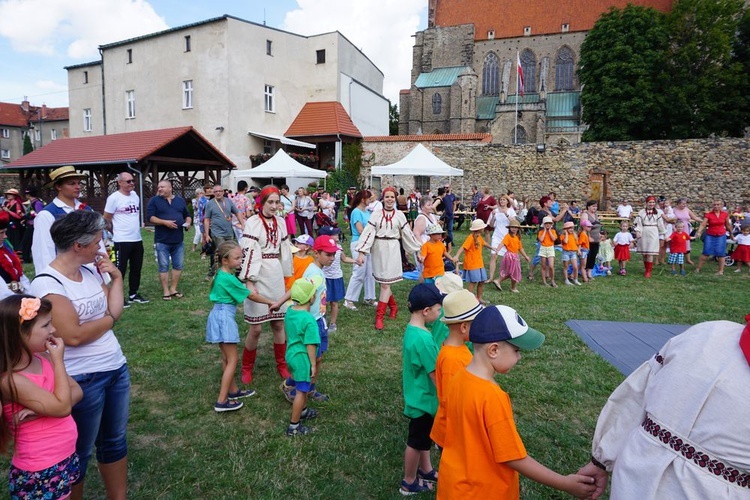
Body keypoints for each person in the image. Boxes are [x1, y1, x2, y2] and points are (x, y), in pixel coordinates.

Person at [577, 317, 750, 500]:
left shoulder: (709, 331)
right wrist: (601, 460)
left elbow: (635, 396)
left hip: (637, 473)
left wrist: (602, 460)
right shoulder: (710, 332)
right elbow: (638, 394)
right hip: (647, 477)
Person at [437, 305, 597, 499]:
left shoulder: (456, 379)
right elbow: (512, 457)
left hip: (453, 487)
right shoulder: (492, 396)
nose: (519, 357)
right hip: (485, 492)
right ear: (494, 349)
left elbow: (442, 433)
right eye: (516, 350)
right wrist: (565, 483)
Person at [29, 210, 128, 500]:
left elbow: (114, 306)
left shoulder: (88, 271)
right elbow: (72, 336)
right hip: (82, 378)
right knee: (80, 451)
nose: (101, 246)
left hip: (115, 367)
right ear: (78, 246)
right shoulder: (47, 284)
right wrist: (109, 318)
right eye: (97, 241)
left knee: (114, 441)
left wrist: (117, 277)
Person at [0, 295, 83, 500]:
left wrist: (42, 409)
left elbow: (77, 392)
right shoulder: (12, 380)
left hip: (64, 456)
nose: (53, 330)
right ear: (19, 333)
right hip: (40, 469)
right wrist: (59, 362)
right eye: (46, 325)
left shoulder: (42, 358)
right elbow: (63, 407)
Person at [238, 185, 294, 389]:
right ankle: (247, 366)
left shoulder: (281, 222)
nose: (274, 206)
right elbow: (248, 251)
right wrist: (249, 281)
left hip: (275, 274)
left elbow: (285, 250)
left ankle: (281, 363)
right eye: (270, 202)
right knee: (256, 328)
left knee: (278, 324)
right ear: (261, 202)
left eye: (277, 202)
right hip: (257, 273)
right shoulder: (252, 223)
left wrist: (288, 275)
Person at [355, 187, 422, 330]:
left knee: (386, 284)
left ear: (395, 198)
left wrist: (417, 251)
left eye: (392, 197)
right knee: (382, 281)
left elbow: (407, 234)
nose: (390, 199)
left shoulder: (399, 215)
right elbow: (368, 233)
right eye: (387, 197)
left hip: (392, 249)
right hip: (378, 249)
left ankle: (379, 316)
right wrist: (362, 252)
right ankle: (393, 306)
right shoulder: (376, 214)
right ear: (383, 198)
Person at [399, 283, 443, 495]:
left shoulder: (413, 331)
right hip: (423, 401)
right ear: (426, 311)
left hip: (418, 396)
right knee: (416, 442)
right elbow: (435, 375)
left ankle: (425, 470)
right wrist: (447, 397)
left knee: (423, 438)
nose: (439, 312)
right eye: (438, 309)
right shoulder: (425, 340)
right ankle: (409, 481)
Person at [205, 241, 256, 413]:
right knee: (233, 360)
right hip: (225, 318)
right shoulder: (228, 278)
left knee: (227, 358)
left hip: (217, 315)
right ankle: (221, 401)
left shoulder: (221, 274)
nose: (241, 260)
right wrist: (272, 301)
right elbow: (250, 295)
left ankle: (233, 391)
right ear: (225, 260)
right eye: (237, 258)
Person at [430, 289, 483, 447]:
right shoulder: (452, 359)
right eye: (477, 324)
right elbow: (452, 401)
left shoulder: (457, 347)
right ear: (464, 328)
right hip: (454, 433)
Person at [31, 166, 93, 274]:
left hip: (89, 271)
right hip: (64, 272)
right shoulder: (47, 215)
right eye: (72, 183)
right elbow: (44, 252)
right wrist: (49, 281)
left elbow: (97, 243)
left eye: (79, 183)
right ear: (58, 186)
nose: (77, 187)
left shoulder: (88, 210)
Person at [283, 277, 323, 436]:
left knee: (299, 382)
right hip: (302, 358)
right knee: (302, 390)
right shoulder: (309, 320)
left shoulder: (290, 312)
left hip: (291, 354)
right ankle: (294, 426)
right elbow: (310, 344)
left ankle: (304, 411)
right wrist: (313, 364)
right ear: (311, 298)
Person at [103, 172, 148, 306]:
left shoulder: (134, 196)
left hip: (136, 239)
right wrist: (112, 235)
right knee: (119, 270)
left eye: (133, 181)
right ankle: (118, 297)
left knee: (136, 268)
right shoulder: (114, 198)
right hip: (120, 240)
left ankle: (133, 294)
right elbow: (106, 219)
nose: (132, 183)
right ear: (120, 183)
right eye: (128, 181)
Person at [146, 179, 191, 300]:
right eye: (159, 187)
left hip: (178, 240)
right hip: (162, 240)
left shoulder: (180, 200)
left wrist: (188, 223)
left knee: (178, 265)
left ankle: (173, 289)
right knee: (163, 265)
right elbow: (150, 217)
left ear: (170, 188)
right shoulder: (154, 201)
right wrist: (164, 222)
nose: (159, 189)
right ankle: (166, 290)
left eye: (162, 187)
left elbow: (187, 215)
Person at [343, 190, 376, 311]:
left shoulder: (367, 211)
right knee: (359, 271)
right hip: (359, 243)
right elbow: (361, 230)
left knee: (370, 272)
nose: (371, 200)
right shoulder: (356, 212)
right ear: (363, 199)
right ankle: (349, 299)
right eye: (369, 198)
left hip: (368, 243)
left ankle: (370, 297)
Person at [319, 226, 356, 332]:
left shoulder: (339, 248)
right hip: (325, 278)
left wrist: (355, 261)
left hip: (336, 278)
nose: (337, 236)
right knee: (323, 301)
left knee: (334, 302)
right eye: (334, 234)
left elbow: (344, 259)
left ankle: (333, 323)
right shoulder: (323, 249)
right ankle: (322, 320)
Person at [204, 184, 245, 280]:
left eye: (220, 191)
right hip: (217, 233)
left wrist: (242, 224)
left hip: (229, 232)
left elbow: (237, 212)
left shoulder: (229, 201)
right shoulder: (210, 204)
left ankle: (226, 272)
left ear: (223, 192)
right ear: (213, 193)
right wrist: (206, 234)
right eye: (216, 191)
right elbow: (206, 219)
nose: (218, 193)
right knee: (223, 253)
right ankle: (212, 274)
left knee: (230, 252)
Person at [453, 219, 494, 304]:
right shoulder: (470, 238)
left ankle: (479, 298)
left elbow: (484, 243)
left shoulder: (479, 237)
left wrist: (492, 248)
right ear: (480, 229)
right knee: (473, 281)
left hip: (479, 263)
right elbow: (463, 247)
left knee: (482, 281)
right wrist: (457, 256)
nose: (484, 229)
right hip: (472, 264)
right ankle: (468, 300)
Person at [694, 199, 733, 275]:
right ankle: (698, 269)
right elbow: (703, 224)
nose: (716, 206)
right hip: (710, 235)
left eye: (718, 204)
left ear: (721, 205)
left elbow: (728, 225)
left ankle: (721, 271)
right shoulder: (708, 214)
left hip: (721, 235)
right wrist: (699, 232)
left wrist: (731, 233)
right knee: (706, 252)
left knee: (721, 253)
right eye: (714, 205)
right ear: (712, 206)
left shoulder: (725, 214)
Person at [487, 195, 517, 286]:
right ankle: (491, 278)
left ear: (507, 202)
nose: (502, 201)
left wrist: (506, 214)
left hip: (507, 237)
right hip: (496, 236)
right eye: (500, 200)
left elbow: (514, 223)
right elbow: (491, 225)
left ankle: (504, 276)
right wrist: (492, 216)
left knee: (508, 258)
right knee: (494, 255)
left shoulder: (511, 211)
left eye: (504, 200)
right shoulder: (495, 211)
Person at [0, 212, 31, 299]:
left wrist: (29, 294)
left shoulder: (7, 251)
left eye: (5, 232)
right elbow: (3, 292)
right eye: (1, 233)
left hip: (18, 297)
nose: (5, 236)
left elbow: (20, 274)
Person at [634, 196, 666, 278]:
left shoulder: (658, 212)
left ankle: (648, 271)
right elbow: (638, 223)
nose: (651, 204)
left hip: (653, 232)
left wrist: (663, 234)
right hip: (644, 232)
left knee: (650, 253)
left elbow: (661, 224)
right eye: (650, 202)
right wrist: (638, 231)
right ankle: (646, 268)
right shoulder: (641, 212)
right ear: (646, 203)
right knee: (645, 253)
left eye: (653, 202)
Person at [494, 219, 530, 292]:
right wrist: (497, 250)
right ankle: (509, 286)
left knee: (513, 272)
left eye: (515, 227)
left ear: (518, 229)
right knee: (513, 272)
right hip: (510, 256)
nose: (514, 229)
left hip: (515, 256)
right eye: (512, 227)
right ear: (509, 228)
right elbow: (502, 243)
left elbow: (520, 248)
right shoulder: (508, 236)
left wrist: (525, 256)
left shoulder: (517, 237)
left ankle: (510, 286)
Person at [672, 198, 702, 265]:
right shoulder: (674, 210)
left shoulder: (687, 210)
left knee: (686, 242)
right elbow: (671, 219)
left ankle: (688, 259)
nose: (684, 205)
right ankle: (675, 258)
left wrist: (703, 221)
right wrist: (674, 228)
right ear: (678, 204)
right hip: (677, 228)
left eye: (685, 203)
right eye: (683, 204)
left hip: (686, 228)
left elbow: (694, 217)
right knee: (678, 243)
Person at [20, 187, 45, 264]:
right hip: (30, 224)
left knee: (27, 242)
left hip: (34, 225)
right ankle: (26, 257)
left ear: (29, 195)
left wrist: (26, 216)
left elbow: (39, 214)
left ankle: (27, 258)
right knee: (26, 242)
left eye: (27, 194)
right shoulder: (32, 202)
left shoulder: (37, 203)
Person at [579, 200, 602, 281]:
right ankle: (584, 271)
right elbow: (584, 226)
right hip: (588, 239)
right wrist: (588, 237)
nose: (595, 208)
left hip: (596, 239)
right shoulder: (585, 215)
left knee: (593, 256)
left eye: (596, 206)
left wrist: (599, 234)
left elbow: (598, 226)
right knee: (587, 256)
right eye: (593, 206)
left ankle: (589, 272)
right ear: (588, 206)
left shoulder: (596, 215)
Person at [2, 188, 25, 257]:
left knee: (15, 239)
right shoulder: (6, 203)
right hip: (7, 224)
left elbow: (19, 216)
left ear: (15, 196)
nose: (8, 196)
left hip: (15, 224)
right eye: (8, 194)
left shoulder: (17, 204)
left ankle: (18, 254)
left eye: (10, 195)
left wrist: (8, 211)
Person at [537, 216, 559, 287]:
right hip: (543, 248)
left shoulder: (553, 231)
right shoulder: (541, 232)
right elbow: (541, 239)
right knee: (543, 266)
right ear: (543, 224)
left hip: (550, 248)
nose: (548, 225)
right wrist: (544, 231)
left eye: (549, 223)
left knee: (551, 266)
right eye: (546, 223)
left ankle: (552, 280)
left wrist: (549, 231)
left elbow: (553, 239)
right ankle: (544, 281)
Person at [560, 220, 582, 285]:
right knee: (566, 266)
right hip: (566, 252)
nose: (571, 229)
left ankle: (576, 279)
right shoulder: (562, 235)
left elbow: (577, 244)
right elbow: (566, 241)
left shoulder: (574, 235)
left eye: (572, 228)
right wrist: (566, 233)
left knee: (575, 267)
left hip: (573, 252)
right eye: (569, 228)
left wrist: (578, 250)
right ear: (565, 229)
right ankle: (566, 280)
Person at [191, 188, 206, 253]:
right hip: (197, 220)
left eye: (202, 193)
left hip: (204, 219)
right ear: (196, 194)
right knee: (198, 233)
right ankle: (194, 247)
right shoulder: (194, 200)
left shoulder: (205, 200)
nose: (200, 195)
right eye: (199, 193)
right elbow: (196, 207)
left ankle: (203, 248)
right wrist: (199, 201)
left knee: (203, 234)